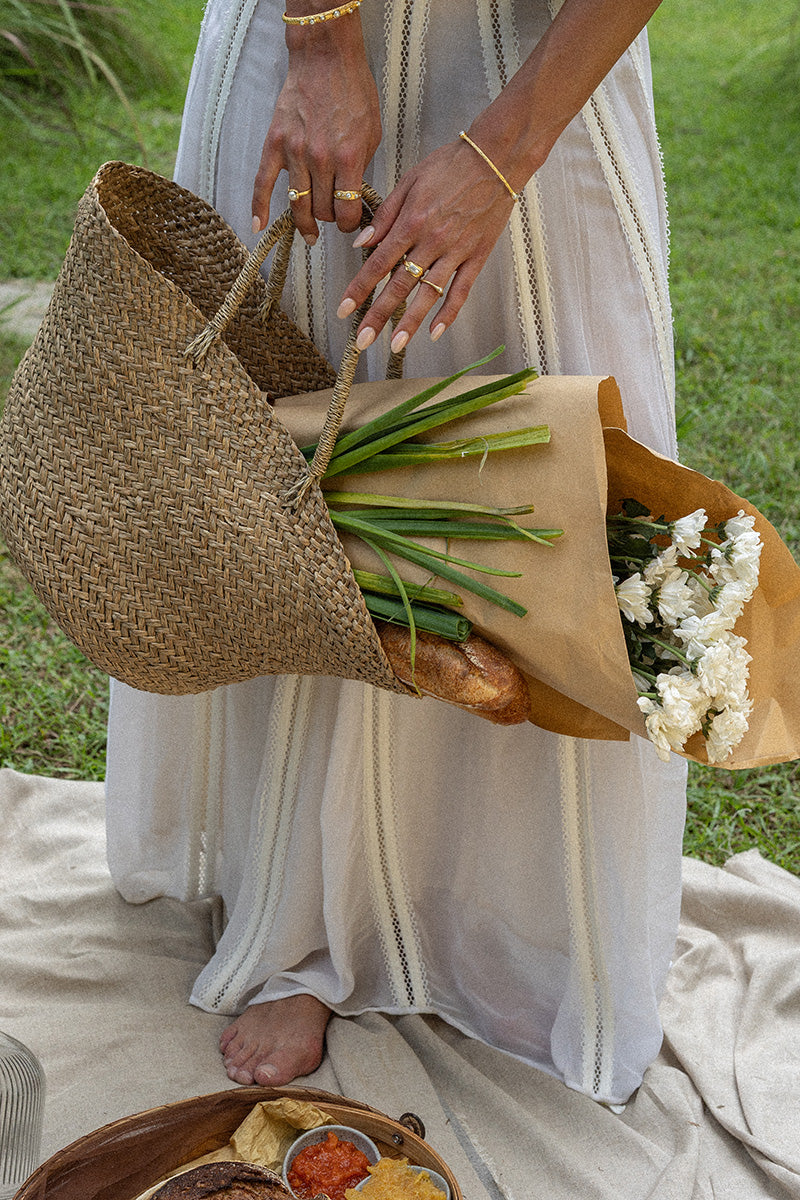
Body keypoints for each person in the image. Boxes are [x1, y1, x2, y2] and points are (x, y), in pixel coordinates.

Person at [104, 0, 688, 1107]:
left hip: (543, 58)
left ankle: (504, 914)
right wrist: (322, 43)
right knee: (278, 468)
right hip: (312, 50)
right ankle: (301, 915)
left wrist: (503, 147)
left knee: (544, 472)